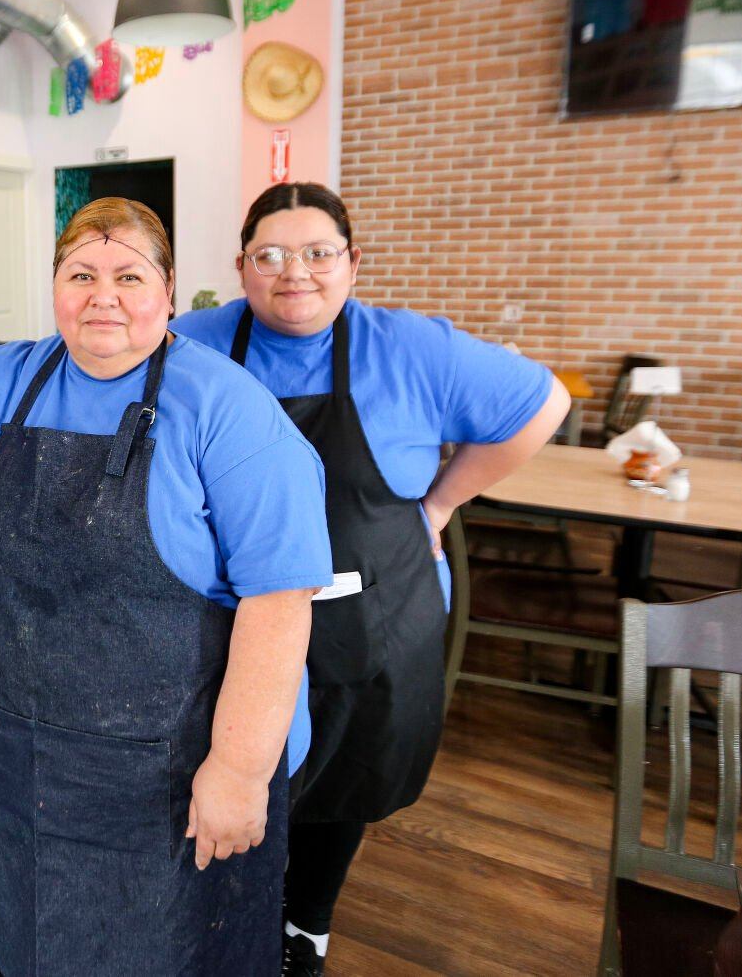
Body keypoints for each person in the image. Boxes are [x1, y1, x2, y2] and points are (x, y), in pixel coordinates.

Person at [0, 197, 333, 976]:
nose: (102, 294)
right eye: (80, 273)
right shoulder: (3, 376)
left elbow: (279, 602)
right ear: (55, 285)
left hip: (173, 772)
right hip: (18, 759)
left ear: (169, 290)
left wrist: (241, 770)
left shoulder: (227, 408)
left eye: (128, 274)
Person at [172, 182, 571, 977]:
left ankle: (304, 932)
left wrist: (441, 502)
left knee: (341, 786)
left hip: (374, 621)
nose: (296, 273)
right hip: (234, 622)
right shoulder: (192, 343)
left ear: (353, 262)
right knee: (232, 770)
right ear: (241, 266)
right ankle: (228, 923)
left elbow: (543, 401)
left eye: (319, 253)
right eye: (270, 255)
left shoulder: (412, 348)